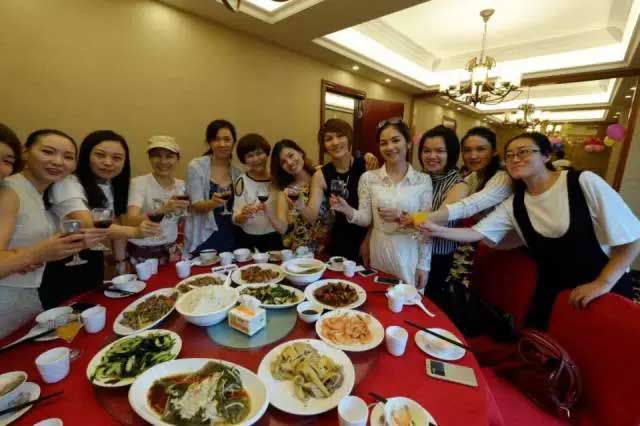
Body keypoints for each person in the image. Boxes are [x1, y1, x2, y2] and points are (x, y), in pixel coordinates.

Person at [421, 132, 640, 328]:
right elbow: (477, 233)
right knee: (543, 348)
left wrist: (602, 283)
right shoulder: (516, 202)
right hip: (551, 290)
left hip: (603, 287)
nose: (515, 159)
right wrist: (435, 230)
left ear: (546, 155)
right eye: (510, 155)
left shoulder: (581, 182)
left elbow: (633, 238)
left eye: (524, 152)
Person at [43, 130, 159, 308]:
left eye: (117, 158)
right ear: (86, 155)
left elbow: (115, 222)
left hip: (92, 257)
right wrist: (135, 231)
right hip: (63, 261)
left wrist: (121, 262)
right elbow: (88, 224)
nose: (108, 163)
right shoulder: (68, 183)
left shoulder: (109, 185)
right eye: (100, 155)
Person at [0, 129, 91, 338]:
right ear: (25, 152)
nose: (58, 162)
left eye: (68, 157)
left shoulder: (42, 193)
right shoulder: (9, 192)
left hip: (29, 294)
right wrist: (35, 254)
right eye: (48, 152)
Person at [332, 118, 433, 288]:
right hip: (379, 249)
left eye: (395, 140)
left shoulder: (423, 180)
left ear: (408, 143)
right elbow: (365, 219)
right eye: (383, 143)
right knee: (378, 296)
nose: (390, 147)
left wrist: (424, 265)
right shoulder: (369, 178)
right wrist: (347, 209)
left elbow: (426, 222)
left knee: (408, 299)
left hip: (408, 251)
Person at [427, 127, 512, 288]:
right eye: (467, 150)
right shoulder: (473, 177)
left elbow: (466, 206)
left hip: (508, 252)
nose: (473, 156)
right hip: (483, 246)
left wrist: (417, 218)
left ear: (494, 151)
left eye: (481, 149)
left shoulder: (503, 178)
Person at [295, 119, 371, 261]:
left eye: (340, 136)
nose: (335, 142)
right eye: (328, 139)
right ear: (324, 145)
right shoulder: (321, 175)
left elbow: (377, 211)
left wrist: (368, 241)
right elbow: (312, 216)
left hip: (369, 238)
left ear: (349, 138)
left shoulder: (367, 165)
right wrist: (299, 205)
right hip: (341, 241)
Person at [410, 125, 469, 305]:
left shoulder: (458, 185)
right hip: (411, 249)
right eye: (426, 151)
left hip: (437, 256)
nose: (432, 156)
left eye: (439, 151)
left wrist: (409, 218)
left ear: (451, 153)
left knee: (426, 302)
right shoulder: (419, 177)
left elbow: (440, 218)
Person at [126, 136, 188, 265]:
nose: (163, 161)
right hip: (142, 254)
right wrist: (163, 210)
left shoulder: (182, 186)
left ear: (177, 159)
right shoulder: (139, 183)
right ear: (150, 158)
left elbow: (179, 221)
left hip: (171, 252)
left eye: (169, 156)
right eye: (156, 156)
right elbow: (130, 220)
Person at [185, 119, 242, 255]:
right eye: (216, 139)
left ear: (233, 142)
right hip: (205, 235)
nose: (222, 144)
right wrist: (213, 203)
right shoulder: (196, 166)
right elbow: (196, 206)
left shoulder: (238, 172)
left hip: (232, 234)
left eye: (227, 139)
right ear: (209, 142)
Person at [268, 139, 332, 254]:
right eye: (283, 162)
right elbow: (283, 229)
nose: (289, 162)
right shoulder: (286, 192)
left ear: (300, 152)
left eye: (291, 155)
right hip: (300, 253)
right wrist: (268, 213)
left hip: (328, 247)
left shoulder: (321, 174)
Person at [232, 133, 283, 251]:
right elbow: (235, 219)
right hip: (249, 239)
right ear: (244, 160)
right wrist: (243, 215)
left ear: (267, 153)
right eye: (250, 156)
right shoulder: (241, 181)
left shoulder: (278, 178)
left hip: (276, 237)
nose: (256, 159)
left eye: (259, 153)